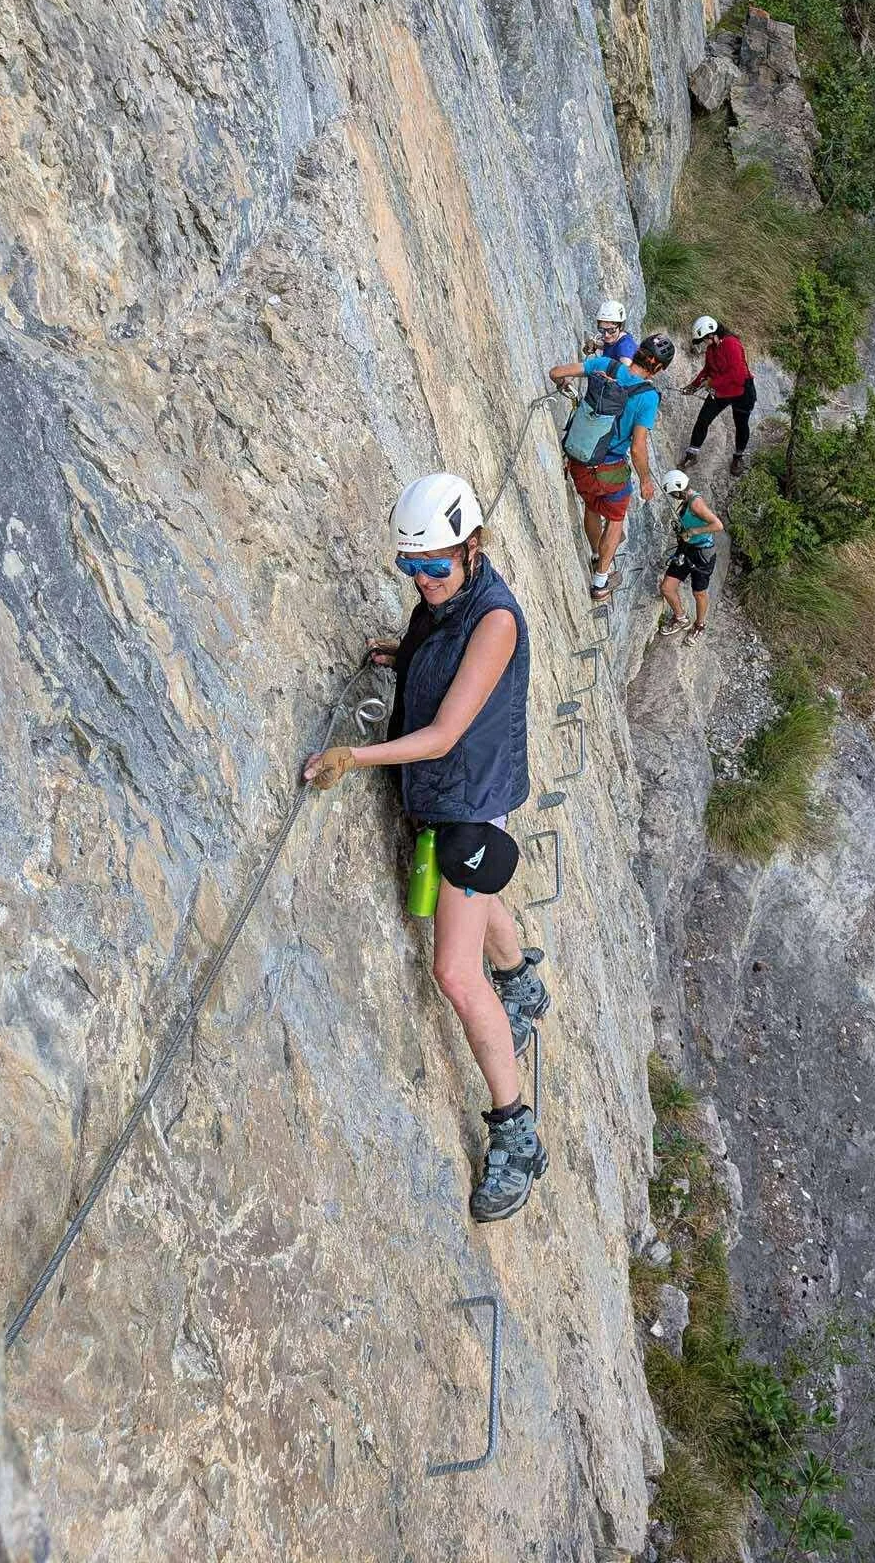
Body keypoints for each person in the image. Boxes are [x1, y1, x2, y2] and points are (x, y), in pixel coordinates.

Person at [303, 473, 550, 1224]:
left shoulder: (496, 620)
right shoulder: (443, 603)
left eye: (436, 566)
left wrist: (353, 757)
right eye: (411, 567)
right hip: (455, 798)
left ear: (473, 548)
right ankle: (523, 982)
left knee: (451, 969)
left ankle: (517, 1132)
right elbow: (435, 653)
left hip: (468, 803)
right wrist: (402, 656)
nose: (424, 581)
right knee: (474, 904)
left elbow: (444, 733)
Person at [548, 332, 674, 603]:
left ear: (639, 350)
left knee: (592, 507)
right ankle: (600, 583)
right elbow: (638, 448)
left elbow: (556, 372)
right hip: (610, 469)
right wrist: (645, 480)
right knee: (616, 519)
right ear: (659, 368)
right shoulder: (648, 396)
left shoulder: (607, 365)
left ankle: (596, 554)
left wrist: (563, 385)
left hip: (580, 460)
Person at [682, 316, 756, 477]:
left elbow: (737, 375)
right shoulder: (711, 349)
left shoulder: (731, 344)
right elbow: (707, 370)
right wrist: (693, 386)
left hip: (742, 391)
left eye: (703, 339)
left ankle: (738, 457)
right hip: (722, 390)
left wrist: (712, 383)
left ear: (711, 334)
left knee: (741, 424)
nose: (703, 343)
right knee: (703, 420)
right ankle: (691, 454)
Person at [657, 469, 724, 643]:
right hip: (686, 548)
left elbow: (718, 525)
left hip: (702, 553)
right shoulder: (687, 500)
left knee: (699, 593)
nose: (672, 496)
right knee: (667, 587)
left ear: (679, 489)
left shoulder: (696, 504)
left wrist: (694, 531)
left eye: (673, 493)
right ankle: (680, 618)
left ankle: (700, 625)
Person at [590, 297, 636, 366]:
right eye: (601, 330)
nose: (606, 335)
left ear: (621, 327)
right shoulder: (615, 340)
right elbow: (609, 347)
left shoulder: (625, 347)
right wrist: (594, 344)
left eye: (611, 330)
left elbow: (628, 372)